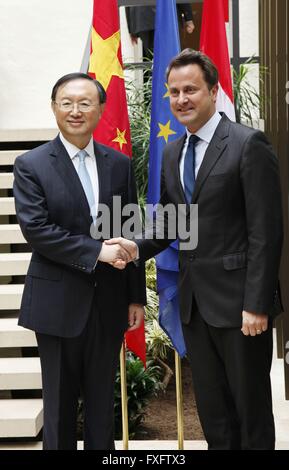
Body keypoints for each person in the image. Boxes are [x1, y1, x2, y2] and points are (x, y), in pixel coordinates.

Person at [106, 49, 283, 450]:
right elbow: (170, 222)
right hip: (194, 306)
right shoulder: (173, 152)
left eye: (191, 90)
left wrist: (256, 303)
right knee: (214, 415)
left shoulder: (247, 144)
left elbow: (266, 232)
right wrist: (133, 245)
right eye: (173, 92)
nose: (181, 99)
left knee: (250, 413)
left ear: (213, 91)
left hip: (241, 307)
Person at [13, 73, 146, 450]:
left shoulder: (118, 164)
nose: (76, 110)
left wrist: (135, 296)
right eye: (67, 102)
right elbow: (36, 230)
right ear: (54, 107)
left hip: (107, 303)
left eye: (85, 103)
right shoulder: (31, 164)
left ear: (101, 109)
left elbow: (129, 228)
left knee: (103, 407)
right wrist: (96, 252)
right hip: (56, 306)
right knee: (59, 408)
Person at [126, 4, 194, 60]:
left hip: (140, 16)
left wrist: (131, 28)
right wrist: (188, 18)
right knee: (169, 58)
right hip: (166, 15)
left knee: (153, 59)